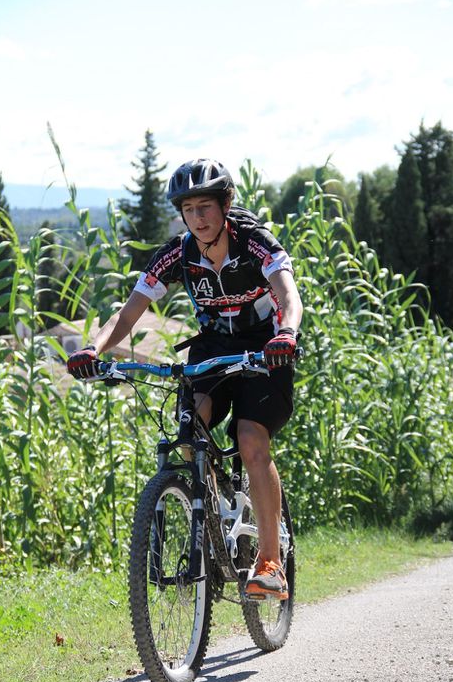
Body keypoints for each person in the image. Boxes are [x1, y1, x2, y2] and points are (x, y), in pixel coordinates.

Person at [67, 158, 303, 600]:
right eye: (189, 208)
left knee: (252, 440)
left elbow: (289, 294)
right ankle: (210, 523)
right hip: (212, 349)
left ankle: (270, 559)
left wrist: (286, 333)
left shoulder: (254, 242)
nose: (198, 217)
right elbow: (128, 312)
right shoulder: (177, 254)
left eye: (206, 206)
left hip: (265, 349)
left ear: (226, 205)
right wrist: (91, 349)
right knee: (189, 428)